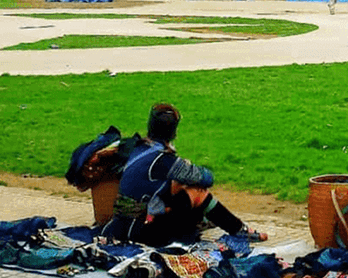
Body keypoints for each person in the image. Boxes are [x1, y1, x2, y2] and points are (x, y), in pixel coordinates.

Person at [102, 103, 264, 247]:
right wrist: (186, 165)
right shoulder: (164, 160)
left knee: (179, 185)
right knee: (197, 192)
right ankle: (239, 230)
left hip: (122, 224)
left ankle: (225, 225)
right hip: (141, 230)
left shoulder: (138, 148)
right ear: (173, 132)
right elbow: (207, 178)